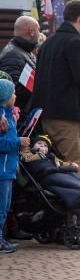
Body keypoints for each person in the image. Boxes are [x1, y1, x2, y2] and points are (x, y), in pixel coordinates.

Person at [31, 0, 80, 179]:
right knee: (75, 169)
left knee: (54, 170)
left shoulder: (49, 42)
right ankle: (74, 208)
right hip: (68, 118)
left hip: (46, 114)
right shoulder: (74, 41)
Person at [0, 79, 29, 253]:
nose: (16, 95)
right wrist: (19, 141)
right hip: (2, 170)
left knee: (5, 206)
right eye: (12, 93)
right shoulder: (3, 118)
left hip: (8, 168)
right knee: (1, 207)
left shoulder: (8, 115)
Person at [0, 15, 40, 115]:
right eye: (38, 30)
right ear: (31, 31)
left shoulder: (25, 51)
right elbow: (11, 90)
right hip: (19, 117)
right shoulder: (12, 55)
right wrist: (41, 89)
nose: (39, 34)